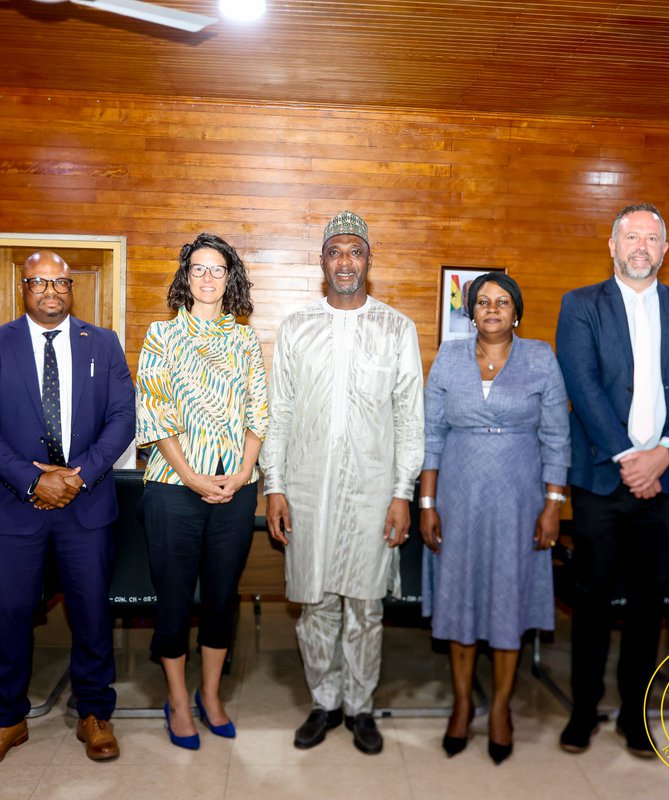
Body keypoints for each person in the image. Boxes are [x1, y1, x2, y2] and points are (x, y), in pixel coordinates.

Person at [0, 251, 134, 767]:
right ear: (23, 287)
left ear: (71, 287)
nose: (50, 291)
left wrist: (77, 476)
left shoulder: (101, 342)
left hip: (87, 502)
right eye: (39, 283)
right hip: (15, 507)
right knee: (10, 616)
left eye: (59, 282)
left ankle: (94, 713)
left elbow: (123, 417)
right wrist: (33, 478)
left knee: (91, 613)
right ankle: (7, 720)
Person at [554, 202, 669, 757]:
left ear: (665, 250)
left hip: (665, 482)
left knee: (650, 604)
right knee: (592, 600)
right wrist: (630, 458)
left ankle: (633, 716)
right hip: (602, 478)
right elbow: (584, 385)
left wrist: (664, 455)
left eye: (652, 238)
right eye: (631, 237)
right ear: (612, 246)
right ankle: (582, 712)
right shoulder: (580, 306)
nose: (641, 247)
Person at [261, 210, 424, 755]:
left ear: (369, 260)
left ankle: (359, 706)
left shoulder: (396, 328)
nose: (346, 261)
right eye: (336, 251)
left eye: (355, 251)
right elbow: (278, 412)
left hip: (373, 493)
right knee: (315, 603)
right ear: (323, 261)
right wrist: (275, 485)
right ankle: (325, 701)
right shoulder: (296, 327)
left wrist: (403, 494)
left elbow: (409, 419)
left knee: (366, 605)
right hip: (306, 489)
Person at [419, 272, 569, 764]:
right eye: (482, 302)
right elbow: (431, 436)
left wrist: (553, 504)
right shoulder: (448, 356)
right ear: (470, 311)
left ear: (516, 312)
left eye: (502, 301)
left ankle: (501, 707)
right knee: (459, 599)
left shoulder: (540, 357)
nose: (491, 309)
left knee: (509, 598)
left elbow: (556, 436)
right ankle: (463, 704)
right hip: (458, 497)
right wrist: (427, 503)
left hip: (519, 499)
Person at [135, 233, 268, 750]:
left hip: (235, 488)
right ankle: (177, 698)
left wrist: (241, 475)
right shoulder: (161, 336)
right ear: (185, 277)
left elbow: (260, 413)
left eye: (218, 269)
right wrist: (190, 476)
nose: (208, 277)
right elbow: (155, 413)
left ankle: (211, 695)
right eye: (198, 268)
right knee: (172, 599)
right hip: (173, 488)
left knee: (219, 597)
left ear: (230, 278)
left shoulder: (244, 340)